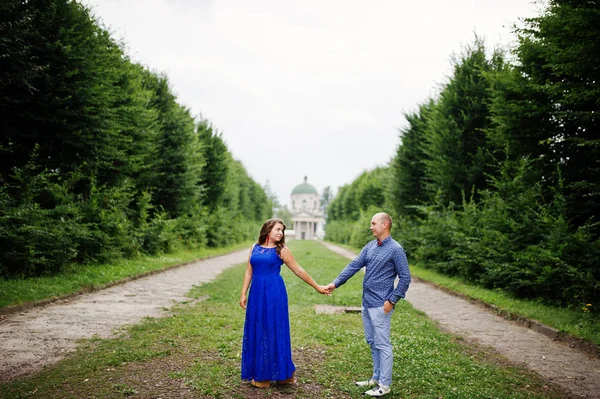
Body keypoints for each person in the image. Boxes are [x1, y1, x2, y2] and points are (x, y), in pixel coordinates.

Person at [324, 212, 410, 397]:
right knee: (372, 342)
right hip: (367, 303)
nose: (371, 227)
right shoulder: (370, 246)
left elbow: (405, 278)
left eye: (373, 223)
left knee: (383, 344)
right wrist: (335, 283)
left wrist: (393, 300)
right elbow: (354, 265)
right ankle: (376, 378)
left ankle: (384, 386)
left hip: (381, 305)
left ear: (385, 225)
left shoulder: (396, 249)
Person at [240, 218, 329, 388]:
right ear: (267, 230)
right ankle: (268, 371)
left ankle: (276, 375)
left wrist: (318, 287)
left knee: (274, 328)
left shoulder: (282, 250)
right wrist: (243, 292)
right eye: (278, 229)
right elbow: (248, 271)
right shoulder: (254, 247)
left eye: (282, 230)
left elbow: (298, 270)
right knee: (258, 328)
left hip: (274, 293)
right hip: (257, 293)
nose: (280, 233)